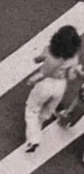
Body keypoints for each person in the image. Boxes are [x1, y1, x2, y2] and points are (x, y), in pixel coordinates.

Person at [23, 25, 84, 153]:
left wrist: (34, 75)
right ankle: (39, 126)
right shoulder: (73, 59)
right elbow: (71, 77)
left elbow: (39, 61)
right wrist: (77, 71)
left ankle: (34, 138)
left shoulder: (49, 50)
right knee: (47, 111)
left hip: (45, 84)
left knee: (32, 110)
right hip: (60, 86)